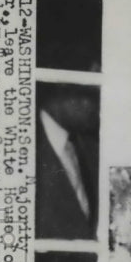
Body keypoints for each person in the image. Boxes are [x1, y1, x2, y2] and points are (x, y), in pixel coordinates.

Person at [36, 83, 99, 240]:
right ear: (63, 86)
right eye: (93, 92)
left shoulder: (91, 147)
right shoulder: (17, 148)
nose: (100, 103)